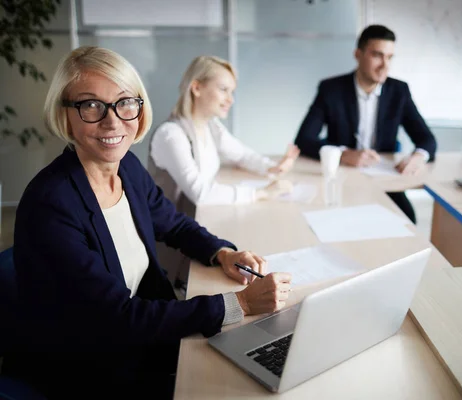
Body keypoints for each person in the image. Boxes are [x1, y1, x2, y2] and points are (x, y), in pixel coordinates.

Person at [3, 46, 292, 399]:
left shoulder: (126, 168)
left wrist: (221, 253)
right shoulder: (51, 204)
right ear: (66, 116)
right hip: (91, 369)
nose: (113, 121)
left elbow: (173, 224)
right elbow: (117, 318)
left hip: (143, 338)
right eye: (91, 105)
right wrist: (240, 304)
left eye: (125, 102)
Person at [149, 55, 299, 287]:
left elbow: (242, 154)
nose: (230, 99)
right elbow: (200, 192)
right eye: (223, 90)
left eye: (232, 92)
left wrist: (274, 167)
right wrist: (260, 193)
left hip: (203, 227)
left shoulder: (210, 126)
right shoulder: (171, 134)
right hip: (175, 244)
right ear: (196, 87)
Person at [294, 25, 437, 223]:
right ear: (358, 54)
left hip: (384, 182)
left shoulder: (399, 91)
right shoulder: (331, 89)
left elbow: (427, 139)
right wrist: (343, 154)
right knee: (334, 222)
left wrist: (418, 156)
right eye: (377, 55)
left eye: (390, 57)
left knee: (408, 220)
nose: (385, 65)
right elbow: (303, 139)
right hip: (341, 180)